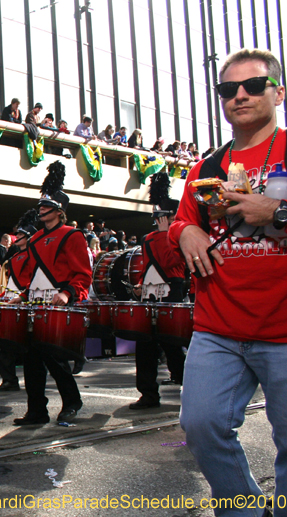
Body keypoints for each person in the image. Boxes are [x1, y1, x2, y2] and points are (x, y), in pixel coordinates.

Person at [171, 48, 287, 514]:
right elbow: (179, 225)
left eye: (253, 86)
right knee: (201, 427)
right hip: (218, 328)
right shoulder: (203, 169)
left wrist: (281, 210)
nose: (239, 96)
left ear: (277, 92)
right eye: (228, 89)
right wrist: (184, 231)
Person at [12, 162, 91, 426]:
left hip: (58, 305)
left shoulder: (72, 235)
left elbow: (82, 274)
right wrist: (22, 296)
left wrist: (68, 293)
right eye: (41, 206)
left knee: (56, 360)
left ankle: (71, 402)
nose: (41, 210)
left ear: (59, 212)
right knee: (32, 362)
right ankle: (37, 411)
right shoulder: (33, 240)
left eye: (46, 207)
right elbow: (34, 277)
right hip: (36, 305)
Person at [129, 173, 187, 410]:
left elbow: (171, 261)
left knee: (172, 343)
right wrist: (140, 283)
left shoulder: (181, 235)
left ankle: (189, 387)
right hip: (149, 293)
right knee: (145, 345)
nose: (158, 220)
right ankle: (148, 394)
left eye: (162, 216)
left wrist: (166, 234)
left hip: (172, 290)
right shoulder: (148, 237)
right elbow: (148, 263)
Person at [0, 210, 39, 394]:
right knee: (5, 343)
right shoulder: (13, 258)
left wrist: (22, 296)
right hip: (14, 301)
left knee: (30, 347)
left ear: (28, 237)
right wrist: (2, 296)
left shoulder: (34, 256)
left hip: (26, 301)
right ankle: (9, 379)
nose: (16, 237)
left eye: (20, 235)